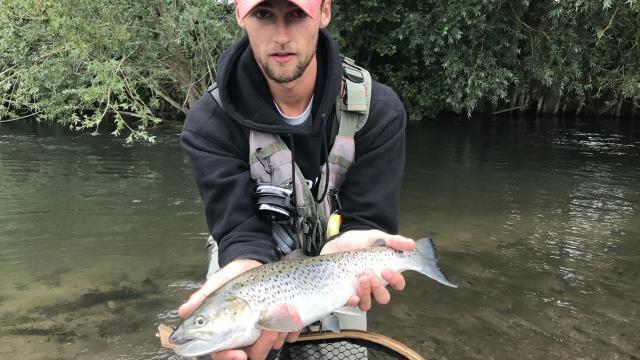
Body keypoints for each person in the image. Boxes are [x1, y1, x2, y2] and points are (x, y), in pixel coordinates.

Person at [179, 0, 412, 359]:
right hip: (250, 259)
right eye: (264, 15)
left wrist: (361, 250)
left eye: (296, 14)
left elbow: (368, 220)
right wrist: (245, 264)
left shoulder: (377, 110)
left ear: (324, 12)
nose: (282, 36)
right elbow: (238, 227)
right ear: (240, 16)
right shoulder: (209, 122)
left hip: (336, 264)